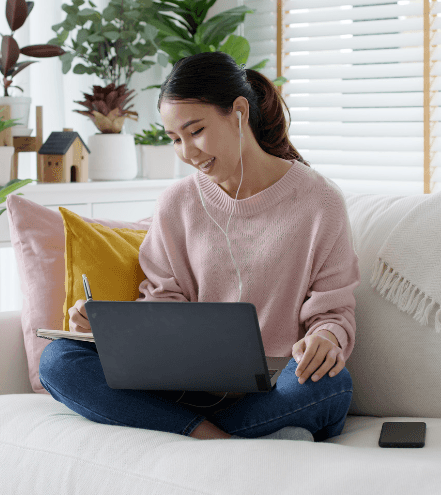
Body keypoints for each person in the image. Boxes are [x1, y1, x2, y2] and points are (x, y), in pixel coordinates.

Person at [39, 51, 360, 442]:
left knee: (330, 385)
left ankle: (186, 431)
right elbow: (163, 304)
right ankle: (217, 437)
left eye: (196, 132)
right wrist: (108, 330)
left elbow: (333, 313)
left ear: (239, 112)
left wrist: (324, 341)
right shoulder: (178, 203)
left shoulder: (319, 201)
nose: (187, 152)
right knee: (59, 361)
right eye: (175, 139)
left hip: (274, 387)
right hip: (183, 388)